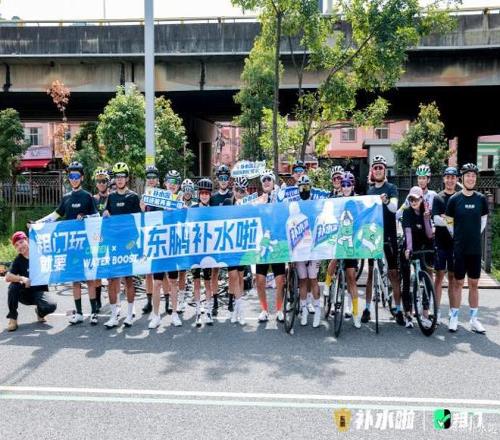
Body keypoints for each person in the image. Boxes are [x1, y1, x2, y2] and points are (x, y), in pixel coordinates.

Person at [36, 161, 99, 325]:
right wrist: (37, 223)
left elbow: (97, 217)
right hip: (71, 246)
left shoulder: (88, 196)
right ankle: (79, 313)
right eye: (71, 176)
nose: (74, 179)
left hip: (86, 245)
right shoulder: (66, 198)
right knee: (75, 279)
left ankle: (94, 312)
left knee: (90, 279)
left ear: (82, 177)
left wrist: (85, 217)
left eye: (77, 176)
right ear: (68, 178)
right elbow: (55, 216)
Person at [446, 163, 489, 334]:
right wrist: (457, 236)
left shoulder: (481, 199)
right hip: (459, 248)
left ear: (475, 178)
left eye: (473, 176)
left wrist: (474, 235)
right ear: (462, 178)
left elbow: (483, 220)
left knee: (474, 284)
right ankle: (454, 317)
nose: (471, 178)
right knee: (457, 283)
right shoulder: (454, 199)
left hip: (475, 249)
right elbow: (449, 222)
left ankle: (474, 320)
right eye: (468, 176)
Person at [364, 156, 403, 325]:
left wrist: (386, 200)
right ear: (372, 171)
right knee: (370, 273)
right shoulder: (370, 191)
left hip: (389, 235)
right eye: (376, 168)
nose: (378, 170)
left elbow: (394, 208)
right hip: (373, 236)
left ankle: (398, 309)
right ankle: (367, 309)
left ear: (385, 170)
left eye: (381, 167)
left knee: (393, 273)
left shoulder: (391, 188)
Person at [102, 162, 141, 329]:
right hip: (114, 245)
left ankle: (130, 314)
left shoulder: (133, 197)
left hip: (128, 245)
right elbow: (106, 217)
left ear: (127, 178)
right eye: (117, 177)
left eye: (122, 176)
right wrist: (105, 213)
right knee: (112, 280)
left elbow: (138, 224)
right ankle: (113, 316)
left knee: (128, 280)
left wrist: (132, 245)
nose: (119, 179)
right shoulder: (111, 197)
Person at [6, 231, 57, 331]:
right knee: (13, 286)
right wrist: (22, 278)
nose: (20, 246)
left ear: (27, 240)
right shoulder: (18, 260)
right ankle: (13, 318)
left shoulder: (40, 254)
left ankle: (40, 313)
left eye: (21, 242)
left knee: (51, 306)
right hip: (24, 294)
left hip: (39, 292)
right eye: (16, 245)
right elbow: (7, 277)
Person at [400, 186, 434, 329]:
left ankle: (425, 313)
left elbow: (429, 234)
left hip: (423, 248)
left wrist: (426, 219)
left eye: (416, 199)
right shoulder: (407, 212)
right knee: (407, 281)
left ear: (422, 199)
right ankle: (408, 314)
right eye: (411, 199)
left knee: (426, 280)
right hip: (409, 248)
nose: (414, 202)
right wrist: (408, 249)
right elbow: (408, 232)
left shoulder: (426, 211)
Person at [255, 169, 285, 322]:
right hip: (262, 244)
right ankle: (264, 310)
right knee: (260, 280)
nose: (266, 182)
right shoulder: (257, 200)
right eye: (264, 180)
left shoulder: (281, 198)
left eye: (269, 179)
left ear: (273, 182)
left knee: (280, 280)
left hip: (277, 243)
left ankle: (280, 309)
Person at [294, 175, 322, 328]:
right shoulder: (295, 205)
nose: (303, 190)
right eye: (301, 187)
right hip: (300, 250)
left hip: (313, 249)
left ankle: (317, 309)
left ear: (310, 188)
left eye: (306, 187)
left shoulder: (315, 205)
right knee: (303, 280)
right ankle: (304, 309)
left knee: (313, 279)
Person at [432, 166, 459, 322]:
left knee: (453, 278)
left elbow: (462, 220)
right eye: (447, 177)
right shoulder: (438, 197)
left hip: (455, 244)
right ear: (444, 179)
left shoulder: (460, 197)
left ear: (457, 180)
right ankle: (437, 311)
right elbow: (436, 220)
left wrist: (446, 219)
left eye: (453, 177)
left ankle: (452, 312)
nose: (450, 180)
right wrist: (454, 221)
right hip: (441, 242)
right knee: (439, 277)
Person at [223, 176, 249, 325]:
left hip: (242, 244)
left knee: (240, 276)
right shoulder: (227, 202)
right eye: (237, 190)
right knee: (232, 276)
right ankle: (240, 310)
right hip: (230, 244)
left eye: (242, 191)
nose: (239, 193)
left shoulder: (248, 203)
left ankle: (238, 310)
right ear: (233, 189)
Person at [338, 172, 361, 328]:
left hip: (352, 242)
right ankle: (328, 285)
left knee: (351, 277)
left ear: (352, 186)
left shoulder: (358, 201)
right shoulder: (336, 200)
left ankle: (355, 312)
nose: (346, 187)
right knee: (335, 266)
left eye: (348, 185)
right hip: (338, 241)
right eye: (343, 185)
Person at [210, 164, 233, 316]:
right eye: (221, 178)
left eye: (226, 177)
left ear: (229, 179)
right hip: (216, 239)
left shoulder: (233, 195)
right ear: (217, 179)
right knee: (215, 272)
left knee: (232, 272)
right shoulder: (212, 198)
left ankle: (231, 301)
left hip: (230, 238)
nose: (223, 180)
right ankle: (215, 301)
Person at [191, 178, 215, 327]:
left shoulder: (213, 210)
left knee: (208, 281)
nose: (204, 195)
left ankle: (208, 311)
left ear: (210, 195)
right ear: (198, 194)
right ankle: (198, 312)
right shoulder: (192, 209)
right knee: (196, 282)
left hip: (208, 250)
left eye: (207, 193)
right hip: (195, 250)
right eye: (202, 193)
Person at [140, 165, 162, 315]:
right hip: (147, 236)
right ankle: (149, 301)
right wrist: (142, 209)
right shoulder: (143, 197)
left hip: (161, 236)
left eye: (154, 177)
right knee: (148, 272)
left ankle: (166, 300)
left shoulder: (164, 195)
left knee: (162, 272)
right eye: (149, 177)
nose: (151, 180)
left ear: (158, 180)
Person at [93, 167, 111, 312]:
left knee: (112, 271)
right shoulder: (93, 199)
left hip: (111, 237)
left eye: (104, 181)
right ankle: (98, 300)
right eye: (99, 181)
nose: (101, 183)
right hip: (97, 238)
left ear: (108, 182)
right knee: (98, 270)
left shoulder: (113, 197)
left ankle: (114, 300)